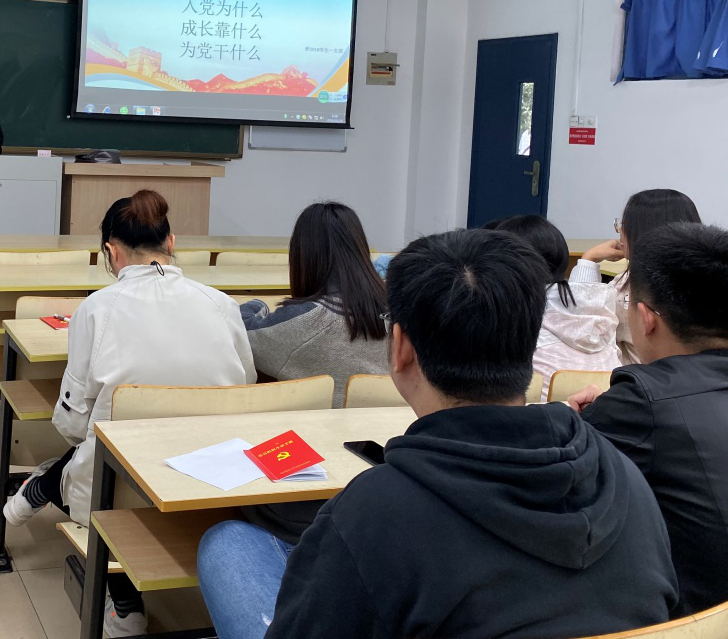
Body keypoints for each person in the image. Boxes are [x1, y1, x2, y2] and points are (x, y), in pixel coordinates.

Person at [197, 229, 678, 639]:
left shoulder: (373, 512)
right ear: (529, 340)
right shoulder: (625, 477)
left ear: (400, 347)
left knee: (230, 544)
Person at [2, 189, 255, 637]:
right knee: (96, 459)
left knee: (94, 468)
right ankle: (43, 485)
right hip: (212, 483)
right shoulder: (222, 304)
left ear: (111, 252)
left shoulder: (96, 310)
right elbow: (245, 389)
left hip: (120, 488)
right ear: (171, 242)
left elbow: (72, 423)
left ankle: (120, 598)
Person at [567, 222, 728, 618]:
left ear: (645, 318)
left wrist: (576, 419)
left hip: (691, 620)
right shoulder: (645, 401)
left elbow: (562, 488)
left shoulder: (641, 401)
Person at [236, 202, 387, 547]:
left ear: (303, 256)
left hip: (304, 497)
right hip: (380, 484)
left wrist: (257, 306)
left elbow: (243, 336)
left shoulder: (305, 321)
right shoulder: (402, 318)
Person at [495, 214, 621, 401]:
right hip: (604, 410)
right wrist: (588, 260)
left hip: (539, 413)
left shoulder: (516, 316)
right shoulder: (601, 310)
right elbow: (582, 293)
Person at [577, 188, 701, 364]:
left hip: (645, 379)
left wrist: (588, 259)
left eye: (622, 225)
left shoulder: (629, 289)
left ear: (639, 232)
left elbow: (582, 332)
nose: (620, 233)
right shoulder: (708, 281)